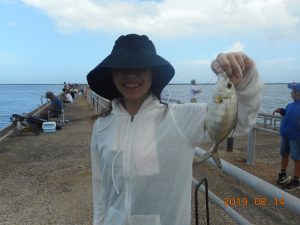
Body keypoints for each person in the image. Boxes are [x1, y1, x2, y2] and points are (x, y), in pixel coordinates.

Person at [87, 34, 263, 225]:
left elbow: (242, 121)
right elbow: (100, 187)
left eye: (140, 67)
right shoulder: (101, 126)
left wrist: (244, 78)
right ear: (112, 74)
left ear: (153, 73)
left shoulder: (181, 118)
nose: (131, 74)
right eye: (122, 68)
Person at [273, 82, 300, 191]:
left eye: (294, 91)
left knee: (297, 157)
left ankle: (296, 180)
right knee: (284, 154)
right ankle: (283, 174)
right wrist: (281, 110)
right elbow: (288, 113)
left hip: (296, 137)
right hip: (285, 134)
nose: (291, 93)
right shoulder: (290, 105)